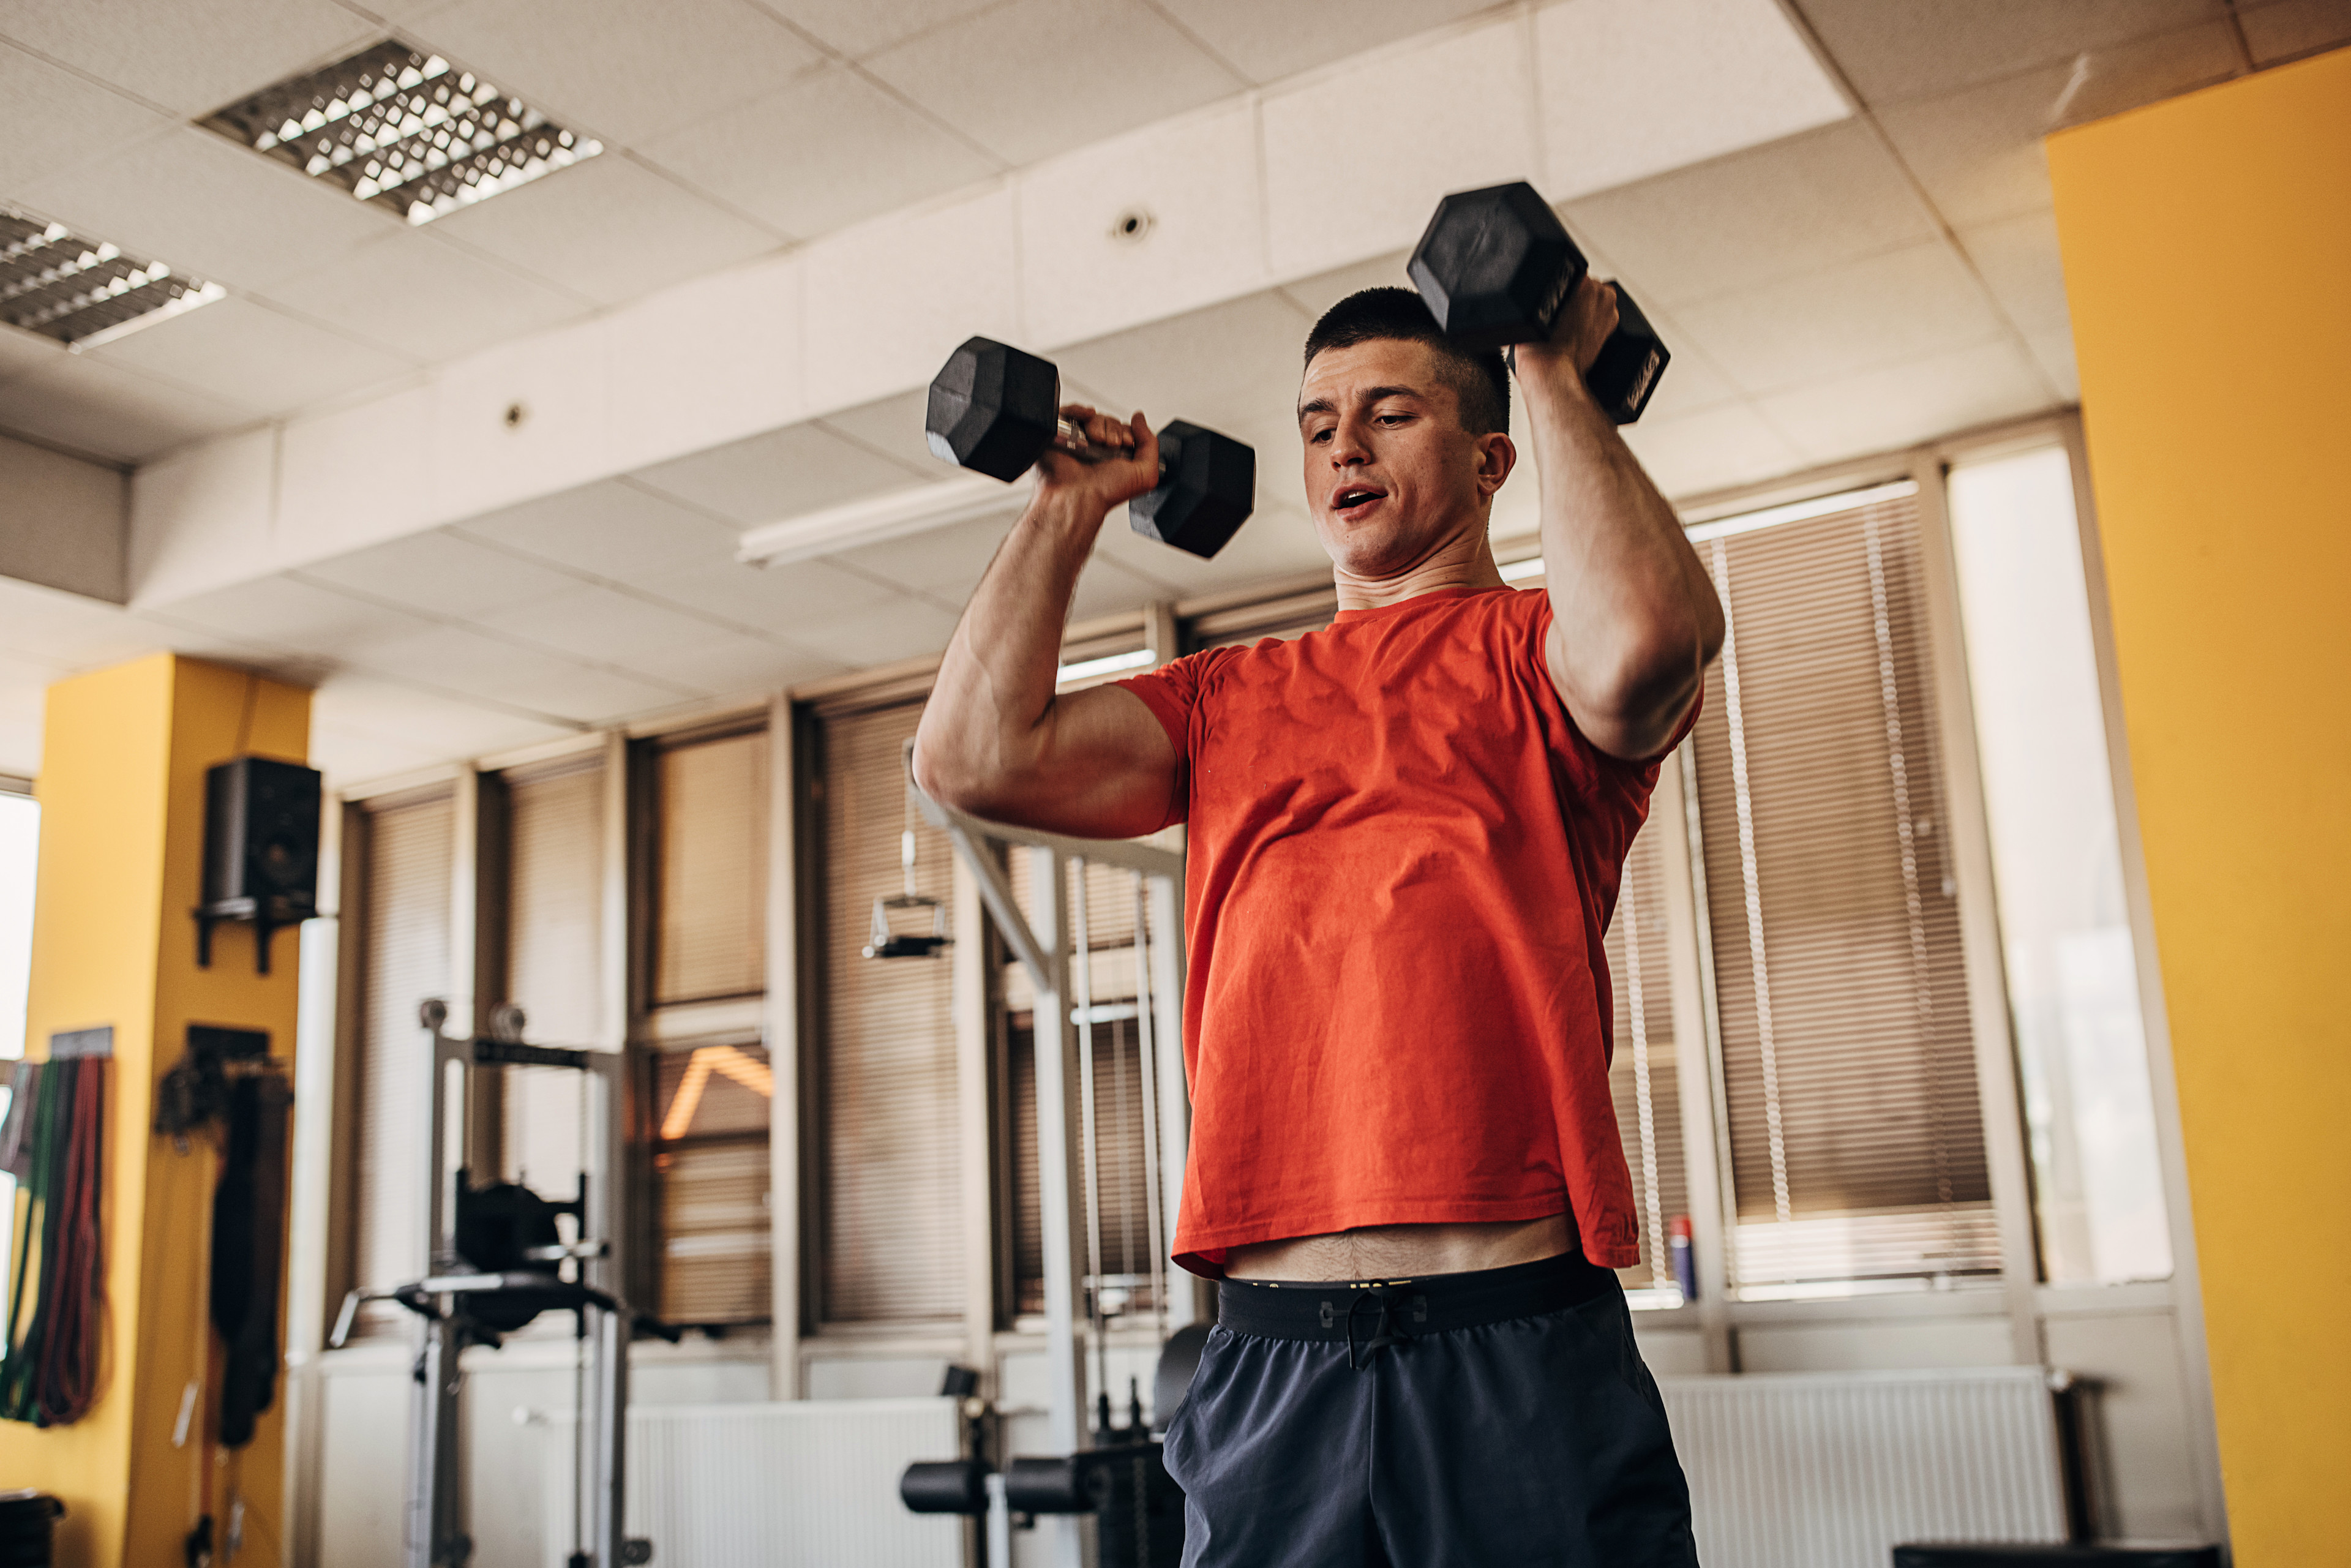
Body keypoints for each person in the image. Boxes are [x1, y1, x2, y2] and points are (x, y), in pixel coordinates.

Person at [913, 276, 1723, 1566]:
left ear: (1488, 457)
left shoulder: (1539, 654)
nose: (1344, 444)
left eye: (1392, 413)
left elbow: (1648, 645)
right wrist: (1067, 509)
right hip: (1271, 1362)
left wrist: (1551, 365)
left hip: (1508, 1340)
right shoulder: (1228, 697)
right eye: (1317, 422)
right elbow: (971, 758)